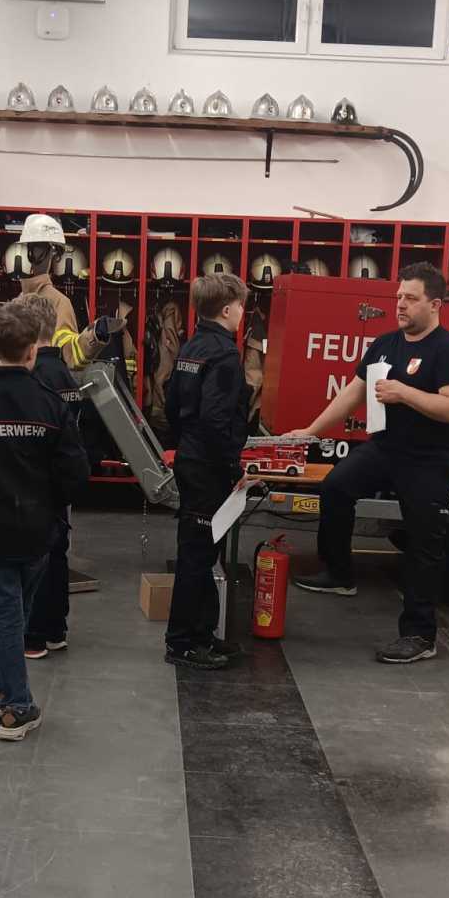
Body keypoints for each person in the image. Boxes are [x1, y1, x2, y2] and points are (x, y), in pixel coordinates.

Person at [292, 262, 449, 663]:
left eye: (411, 298)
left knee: (423, 542)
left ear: (435, 304)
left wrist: (404, 393)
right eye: (399, 297)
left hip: (428, 459)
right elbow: (354, 392)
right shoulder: (386, 343)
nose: (401, 305)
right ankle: (339, 574)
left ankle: (420, 636)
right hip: (386, 448)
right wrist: (311, 431)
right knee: (336, 487)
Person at [0, 213, 124, 661]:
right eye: (30, 250)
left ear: (51, 256)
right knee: (37, 539)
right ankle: (45, 627)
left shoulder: (52, 303)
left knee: (44, 541)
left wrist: (95, 337)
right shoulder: (13, 304)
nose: (33, 258)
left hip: (32, 431)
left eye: (39, 251)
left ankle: (40, 630)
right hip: (14, 428)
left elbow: (66, 355)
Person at [0, 299, 90, 742]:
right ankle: (8, 696)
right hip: (38, 531)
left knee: (11, 613)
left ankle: (12, 700)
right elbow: (76, 475)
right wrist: (54, 513)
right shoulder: (51, 406)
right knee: (15, 612)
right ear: (33, 350)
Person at [163, 271, 251, 670]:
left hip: (191, 458)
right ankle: (182, 643)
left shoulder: (191, 347)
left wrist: (187, 444)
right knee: (198, 556)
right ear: (228, 309)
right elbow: (218, 419)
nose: (243, 312)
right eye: (241, 306)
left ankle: (202, 634)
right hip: (210, 467)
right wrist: (233, 467)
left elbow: (171, 404)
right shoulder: (225, 355)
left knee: (201, 550)